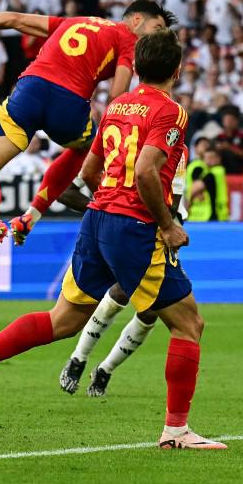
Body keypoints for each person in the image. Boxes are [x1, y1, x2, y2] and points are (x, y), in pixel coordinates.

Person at [0, 29, 225, 450]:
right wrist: (165, 223)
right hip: (135, 227)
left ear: (137, 67)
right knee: (188, 324)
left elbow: (89, 171)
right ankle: (176, 430)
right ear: (177, 70)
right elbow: (146, 171)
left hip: (97, 218)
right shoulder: (172, 112)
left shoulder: (116, 107)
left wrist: (110, 203)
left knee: (62, 320)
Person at [0, 0, 174, 272]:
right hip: (68, 103)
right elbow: (118, 95)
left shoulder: (75, 21)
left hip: (29, 91)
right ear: (137, 20)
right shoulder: (128, 39)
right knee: (86, 146)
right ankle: (33, 215)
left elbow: (14, 19)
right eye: (158, 27)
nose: (159, 36)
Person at [58, 144, 189, 397]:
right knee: (120, 293)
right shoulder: (116, 146)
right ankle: (78, 358)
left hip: (158, 229)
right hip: (124, 229)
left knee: (151, 310)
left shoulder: (176, 147)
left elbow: (175, 200)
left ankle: (105, 369)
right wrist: (107, 212)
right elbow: (66, 192)